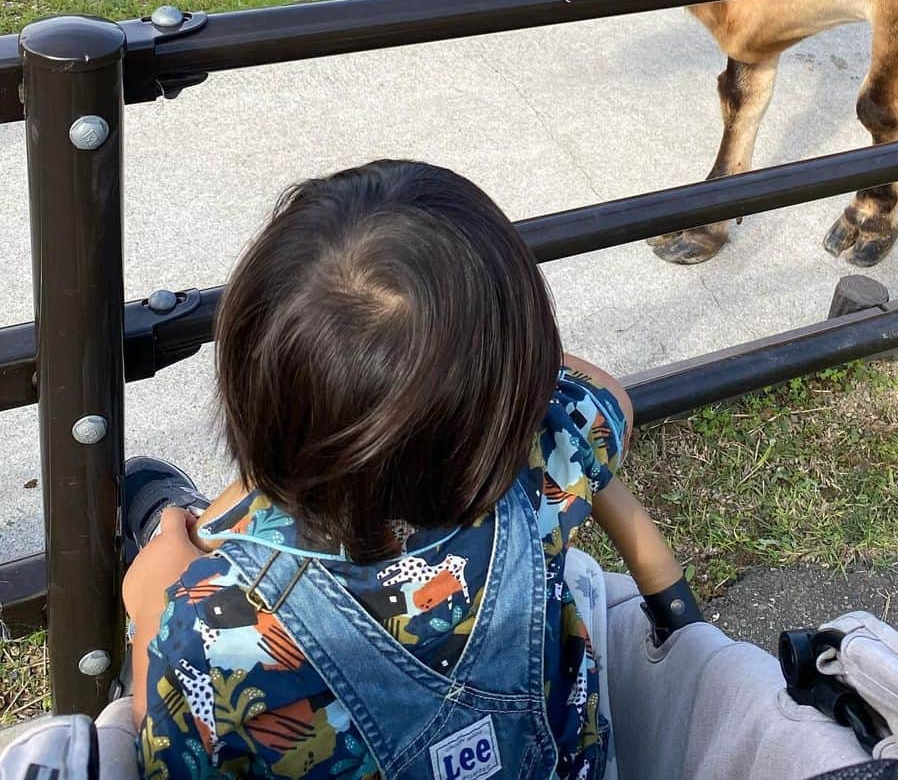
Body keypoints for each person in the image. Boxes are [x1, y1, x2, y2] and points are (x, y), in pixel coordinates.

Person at [122, 161, 689, 780]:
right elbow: (610, 397)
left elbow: (168, 752)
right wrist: (499, 354)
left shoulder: (205, 628)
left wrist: (155, 606)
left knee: (161, 560)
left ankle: (180, 513)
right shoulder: (551, 451)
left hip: (244, 573)